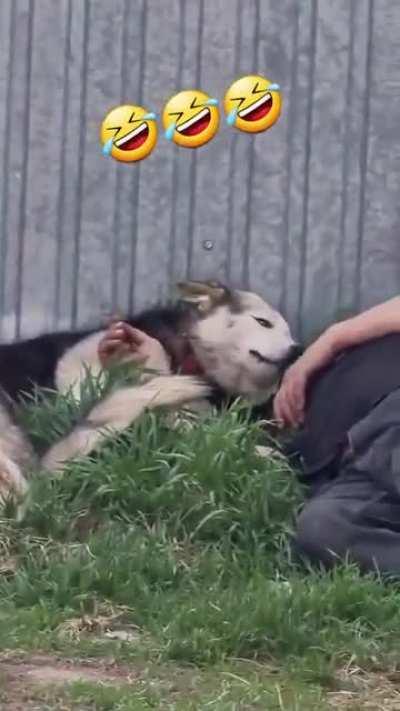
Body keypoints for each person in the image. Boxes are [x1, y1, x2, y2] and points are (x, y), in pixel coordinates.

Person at [98, 296, 400, 575]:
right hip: (359, 473)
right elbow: (214, 444)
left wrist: (333, 339)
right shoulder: (276, 443)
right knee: (323, 529)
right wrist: (154, 375)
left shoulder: (323, 356)